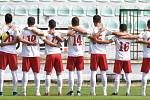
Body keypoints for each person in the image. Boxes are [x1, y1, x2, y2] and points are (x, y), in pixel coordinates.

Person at [88, 15, 113, 96]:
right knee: (103, 73)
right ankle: (104, 92)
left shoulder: (91, 29)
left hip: (94, 53)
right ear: (100, 21)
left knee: (93, 73)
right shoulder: (104, 29)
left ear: (93, 21)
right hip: (102, 53)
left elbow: (91, 37)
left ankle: (93, 91)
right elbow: (114, 33)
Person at [111, 24, 138, 96]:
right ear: (126, 29)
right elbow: (137, 38)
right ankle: (128, 92)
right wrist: (128, 35)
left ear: (119, 29)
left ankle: (116, 92)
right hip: (127, 58)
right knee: (128, 76)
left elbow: (110, 40)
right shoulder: (129, 37)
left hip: (119, 58)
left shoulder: (116, 37)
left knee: (117, 76)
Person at [20, 17, 44, 96]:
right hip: (35, 54)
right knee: (36, 73)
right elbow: (42, 34)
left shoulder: (24, 30)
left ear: (27, 22)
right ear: (34, 23)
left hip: (26, 54)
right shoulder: (37, 30)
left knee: (25, 73)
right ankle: (37, 91)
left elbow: (20, 39)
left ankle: (24, 91)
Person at [66, 17, 87, 96]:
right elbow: (84, 32)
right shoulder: (81, 30)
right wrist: (76, 28)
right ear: (78, 23)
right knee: (79, 73)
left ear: (72, 23)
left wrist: (72, 28)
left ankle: (71, 91)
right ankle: (78, 90)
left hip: (71, 54)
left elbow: (68, 34)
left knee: (71, 73)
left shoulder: (70, 30)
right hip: (80, 54)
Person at [43, 19, 64, 96]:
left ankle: (47, 92)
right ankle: (59, 92)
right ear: (55, 26)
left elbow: (44, 40)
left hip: (50, 54)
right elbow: (62, 40)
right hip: (58, 54)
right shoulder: (58, 33)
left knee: (48, 73)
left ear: (48, 25)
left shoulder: (46, 33)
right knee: (59, 73)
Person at [0, 13, 19, 96]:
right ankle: (14, 91)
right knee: (14, 72)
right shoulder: (15, 28)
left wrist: (5, 44)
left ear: (5, 19)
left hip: (3, 51)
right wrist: (11, 30)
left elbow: (1, 39)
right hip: (12, 53)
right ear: (12, 19)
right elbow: (18, 40)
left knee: (2, 71)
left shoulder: (2, 28)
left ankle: (0, 91)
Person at [137, 19, 150, 96]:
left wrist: (143, 42)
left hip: (147, 56)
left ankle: (143, 92)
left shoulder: (144, 32)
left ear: (147, 24)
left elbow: (137, 39)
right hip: (147, 56)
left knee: (145, 74)